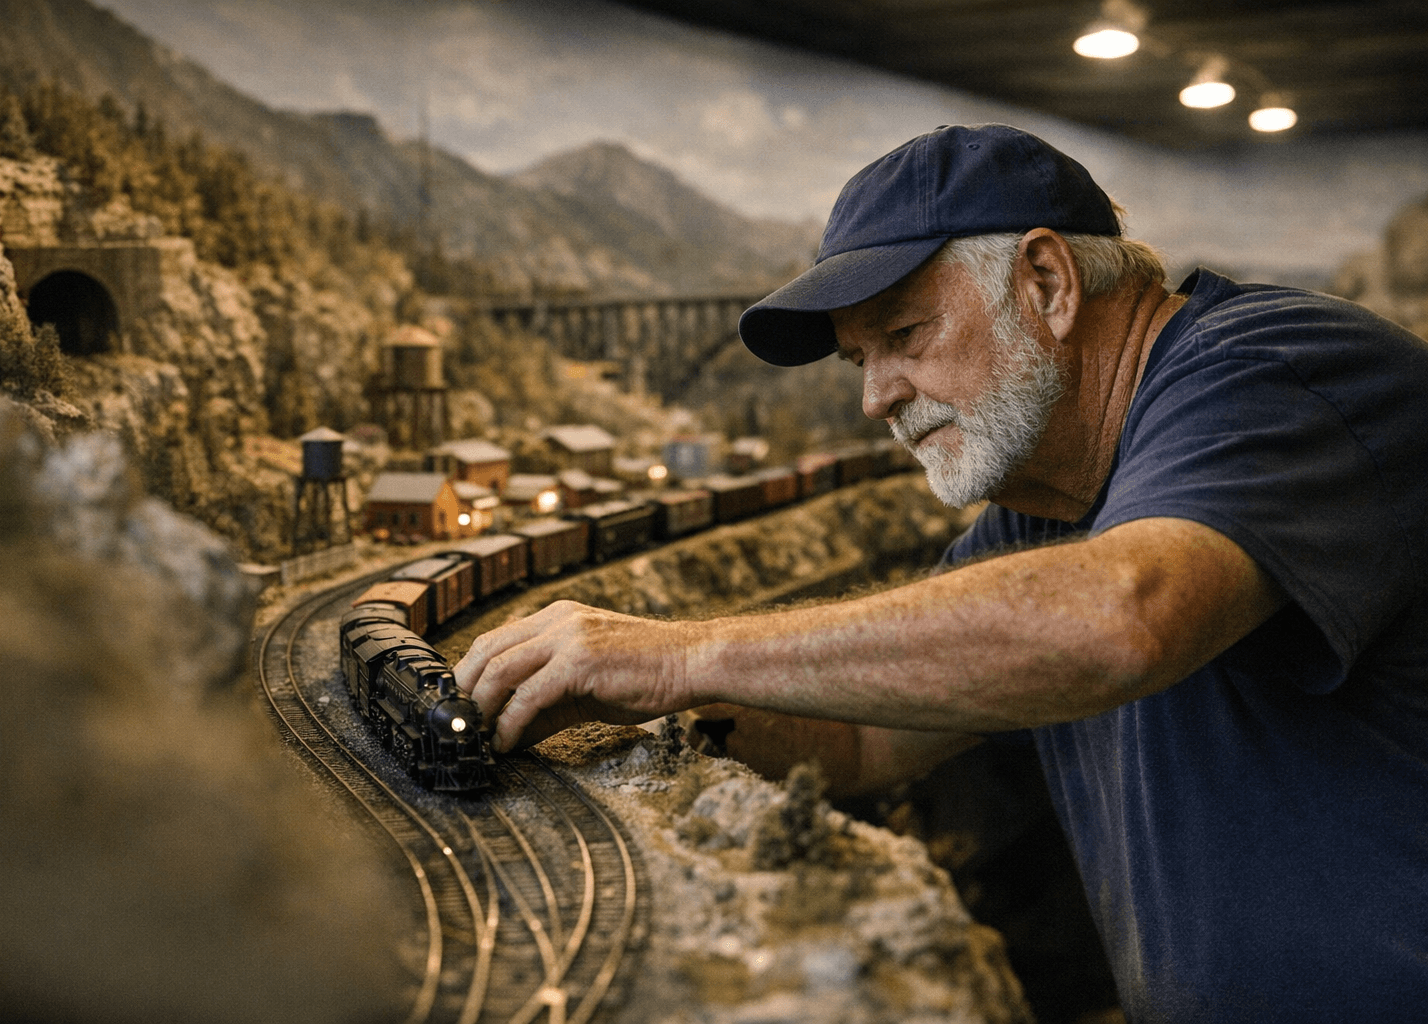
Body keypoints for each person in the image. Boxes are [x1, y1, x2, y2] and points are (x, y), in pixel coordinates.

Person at [456, 124, 1428, 1020]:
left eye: (905, 337)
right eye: (856, 361)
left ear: (1046, 283)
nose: (877, 398)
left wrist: (679, 653)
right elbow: (860, 734)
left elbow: (1123, 617)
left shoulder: (1278, 370)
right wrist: (606, 699)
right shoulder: (1039, 505)